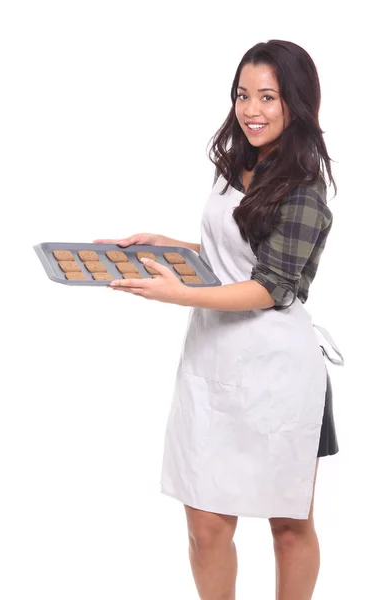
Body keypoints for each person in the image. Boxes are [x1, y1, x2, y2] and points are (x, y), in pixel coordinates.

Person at [94, 39, 344, 600]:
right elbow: (231, 256)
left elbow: (269, 287)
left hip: (280, 372)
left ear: (296, 103)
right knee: (206, 525)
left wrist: (174, 293)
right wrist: (169, 246)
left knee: (289, 524)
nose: (251, 110)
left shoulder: (304, 187)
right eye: (242, 95)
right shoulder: (238, 162)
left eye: (268, 97)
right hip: (213, 362)